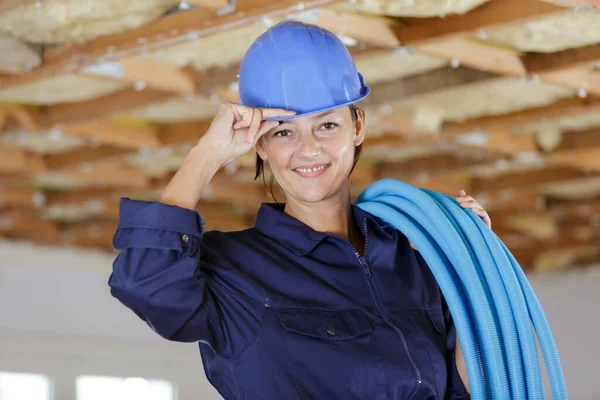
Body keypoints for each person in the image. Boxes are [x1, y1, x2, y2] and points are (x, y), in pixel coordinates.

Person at [109, 21, 492, 399]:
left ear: (357, 127)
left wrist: (473, 267)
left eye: (326, 125)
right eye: (284, 132)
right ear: (260, 144)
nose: (308, 150)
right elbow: (145, 284)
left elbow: (463, 388)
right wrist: (207, 153)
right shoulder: (235, 269)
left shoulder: (411, 257)